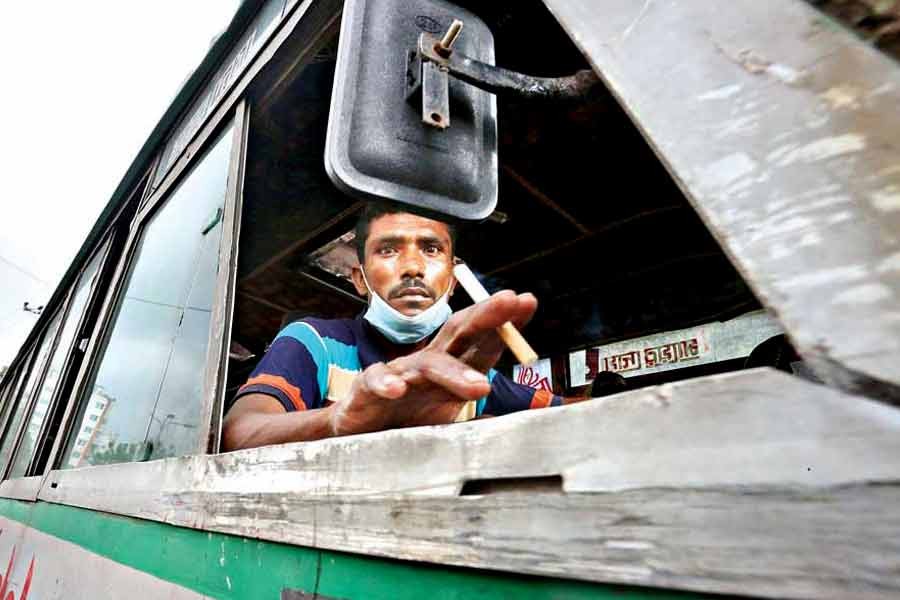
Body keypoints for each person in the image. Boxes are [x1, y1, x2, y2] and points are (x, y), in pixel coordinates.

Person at [222, 203, 581, 451]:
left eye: (430, 249)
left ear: (454, 280)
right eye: (388, 250)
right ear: (359, 279)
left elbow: (569, 413)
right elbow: (239, 431)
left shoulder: (471, 378)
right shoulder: (315, 342)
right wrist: (336, 421)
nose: (412, 267)